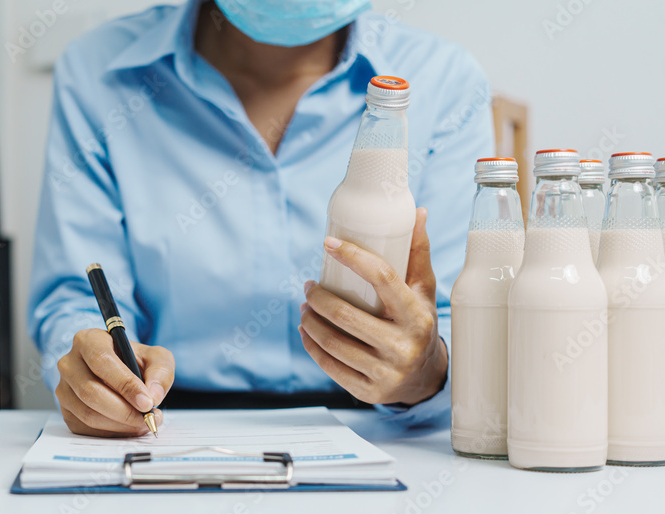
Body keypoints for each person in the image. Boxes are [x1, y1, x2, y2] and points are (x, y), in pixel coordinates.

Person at [28, 0, 494, 437]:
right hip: (166, 426)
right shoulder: (97, 72)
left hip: (382, 429)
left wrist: (426, 373)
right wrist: (97, 372)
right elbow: (79, 298)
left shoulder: (443, 80)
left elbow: (462, 318)